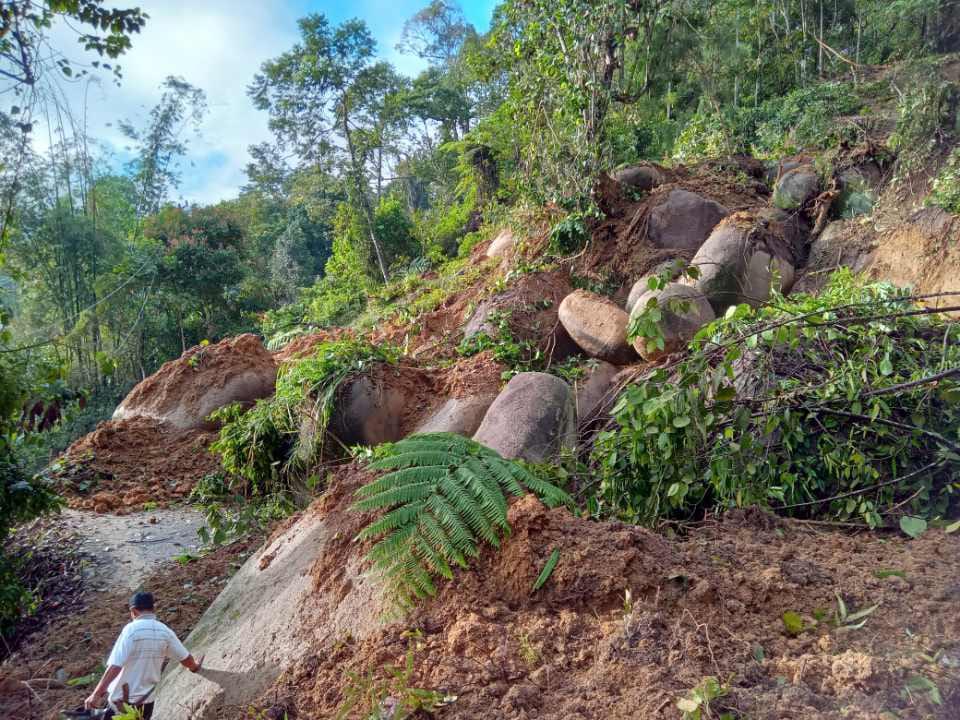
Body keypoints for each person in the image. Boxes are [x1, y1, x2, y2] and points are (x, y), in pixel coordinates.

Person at [84, 592, 203, 719]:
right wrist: (195, 667)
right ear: (153, 609)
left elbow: (115, 665)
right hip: (146, 704)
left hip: (123, 705)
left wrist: (96, 694)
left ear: (133, 611)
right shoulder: (165, 631)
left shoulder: (131, 630)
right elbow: (185, 658)